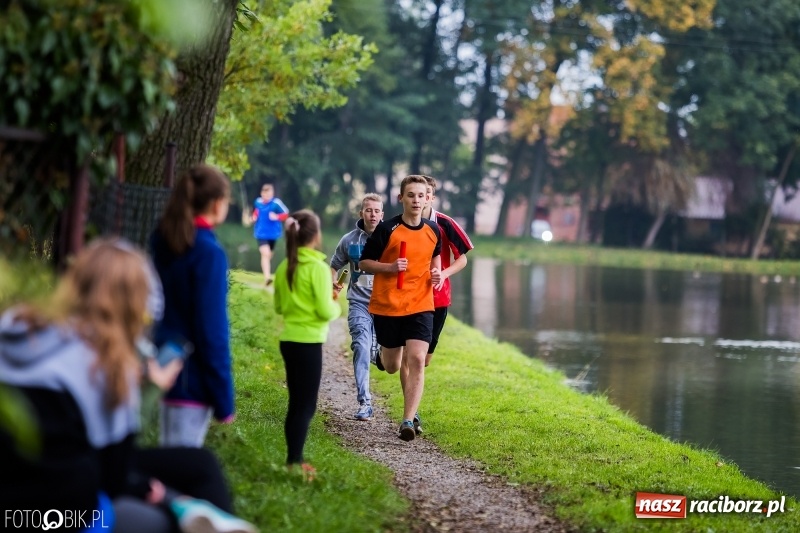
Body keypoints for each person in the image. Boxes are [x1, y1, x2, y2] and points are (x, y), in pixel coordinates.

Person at [0, 239, 256, 533]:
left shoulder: (16, 326)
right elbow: (113, 476)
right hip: (57, 513)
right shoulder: (107, 361)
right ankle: (193, 513)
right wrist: (149, 390)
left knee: (195, 465)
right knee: (164, 518)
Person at [151, 164, 235, 448]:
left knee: (168, 454)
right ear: (216, 204)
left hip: (159, 363)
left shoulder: (163, 241)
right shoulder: (208, 253)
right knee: (180, 467)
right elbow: (212, 330)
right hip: (191, 378)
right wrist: (223, 397)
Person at [358, 175, 442, 442]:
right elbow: (365, 263)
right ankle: (380, 356)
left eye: (421, 195)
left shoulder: (433, 230)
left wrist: (437, 272)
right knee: (393, 365)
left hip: (421, 304)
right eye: (411, 195)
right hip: (388, 305)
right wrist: (390, 267)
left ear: (427, 198)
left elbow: (435, 257)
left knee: (417, 359)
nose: (416, 200)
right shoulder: (387, 230)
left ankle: (408, 419)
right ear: (401, 199)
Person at [274, 210, 341, 473]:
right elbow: (325, 311)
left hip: (289, 341)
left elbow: (280, 306)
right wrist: (335, 305)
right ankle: (295, 462)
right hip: (309, 343)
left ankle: (293, 460)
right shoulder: (318, 268)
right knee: (306, 405)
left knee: (296, 402)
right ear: (316, 235)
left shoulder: (284, 266)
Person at [330, 193, 384, 421]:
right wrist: (332, 282)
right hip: (359, 303)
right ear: (361, 213)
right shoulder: (349, 240)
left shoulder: (390, 237)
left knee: (388, 360)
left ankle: (411, 411)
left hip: (386, 306)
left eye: (376, 211)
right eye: (368, 210)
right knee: (361, 346)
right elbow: (334, 266)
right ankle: (365, 403)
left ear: (382, 214)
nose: (372, 215)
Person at [252, 183, 289, 286]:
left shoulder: (276, 203)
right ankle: (267, 277)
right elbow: (256, 212)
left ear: (272, 194)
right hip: (260, 233)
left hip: (273, 234)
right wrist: (254, 217)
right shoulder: (258, 202)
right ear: (261, 193)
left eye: (268, 195)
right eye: (264, 195)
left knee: (269, 255)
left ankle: (267, 274)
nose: (266, 197)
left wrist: (276, 217)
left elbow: (286, 214)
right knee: (265, 253)